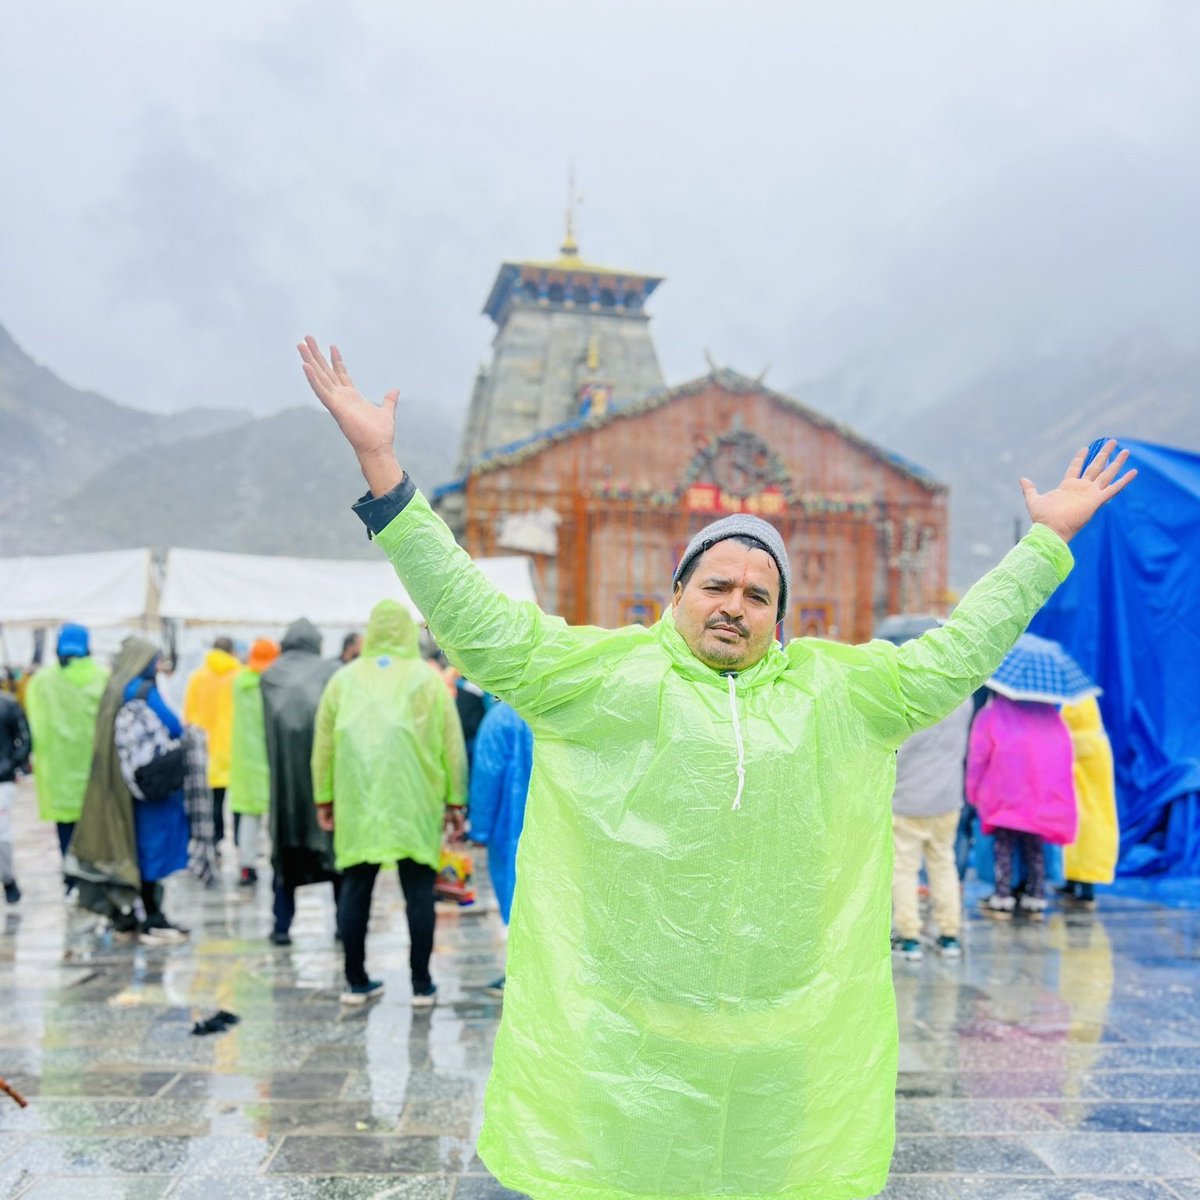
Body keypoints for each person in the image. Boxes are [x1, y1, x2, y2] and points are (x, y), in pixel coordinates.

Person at [299, 338, 1134, 1200]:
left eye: (757, 593)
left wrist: (1044, 546)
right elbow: (474, 618)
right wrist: (384, 468)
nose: (735, 603)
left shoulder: (839, 693)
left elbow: (958, 656)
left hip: (782, 1047)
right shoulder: (603, 678)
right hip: (626, 1050)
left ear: (779, 614)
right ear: (679, 593)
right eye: (717, 584)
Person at [312, 599, 467, 1004]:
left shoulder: (343, 681)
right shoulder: (429, 680)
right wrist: (456, 800)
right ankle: (421, 983)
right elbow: (453, 746)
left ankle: (355, 980)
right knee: (418, 891)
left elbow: (323, 746)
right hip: (414, 800)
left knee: (356, 886)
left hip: (357, 799)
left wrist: (323, 796)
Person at [70, 639, 190, 942]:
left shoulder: (114, 688)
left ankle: (129, 914)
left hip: (117, 785)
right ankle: (152, 915)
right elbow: (174, 726)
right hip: (150, 788)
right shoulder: (142, 690)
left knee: (128, 846)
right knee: (153, 849)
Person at [260, 618, 340, 945]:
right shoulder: (330, 673)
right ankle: (341, 926)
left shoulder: (270, 678)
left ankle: (282, 926)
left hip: (285, 784)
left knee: (286, 853)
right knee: (334, 856)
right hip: (325, 779)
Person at [967, 691, 1077, 920]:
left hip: (1003, 795)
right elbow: (1063, 756)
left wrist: (973, 790)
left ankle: (1003, 897)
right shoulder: (1049, 716)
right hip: (1039, 798)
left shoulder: (991, 715)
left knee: (1003, 848)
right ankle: (1036, 897)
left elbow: (978, 756)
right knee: (1035, 849)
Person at [890, 696, 974, 960]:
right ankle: (949, 935)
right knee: (943, 864)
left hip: (906, 799)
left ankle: (909, 936)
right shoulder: (964, 699)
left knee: (904, 868)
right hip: (947, 799)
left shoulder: (907, 697)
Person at [25, 624, 109, 883]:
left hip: (59, 773)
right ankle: (93, 877)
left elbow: (34, 726)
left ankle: (71, 879)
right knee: (95, 828)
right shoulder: (103, 677)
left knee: (65, 829)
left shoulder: (42, 682)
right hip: (96, 771)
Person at [467, 700, 533, 996]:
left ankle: (520, 973)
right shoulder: (562, 704)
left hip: (511, 825)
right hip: (563, 825)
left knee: (516, 895)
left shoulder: (501, 718)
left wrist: (479, 828)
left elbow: (486, 775)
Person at [227, 638, 280, 887]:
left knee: (249, 817)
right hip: (269, 758)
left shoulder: (239, 683)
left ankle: (246, 866)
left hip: (245, 761)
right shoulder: (272, 686)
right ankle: (277, 861)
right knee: (275, 817)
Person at [183, 636, 242, 855]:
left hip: (204, 746)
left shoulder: (197, 677)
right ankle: (230, 841)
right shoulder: (238, 676)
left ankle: (208, 839)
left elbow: (188, 714)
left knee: (206, 799)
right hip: (232, 746)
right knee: (231, 800)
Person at [1059, 696, 1119, 909]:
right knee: (1083, 848)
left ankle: (1086, 895)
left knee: (1081, 848)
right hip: (1098, 808)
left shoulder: (1077, 741)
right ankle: (1072, 884)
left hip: (1083, 808)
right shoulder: (1099, 737)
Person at [0, 687, 32, 903]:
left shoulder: (8, 704)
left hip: (3, 780)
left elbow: (25, 739)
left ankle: (9, 880)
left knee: (2, 836)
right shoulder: (9, 704)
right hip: (5, 776)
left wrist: (10, 766)